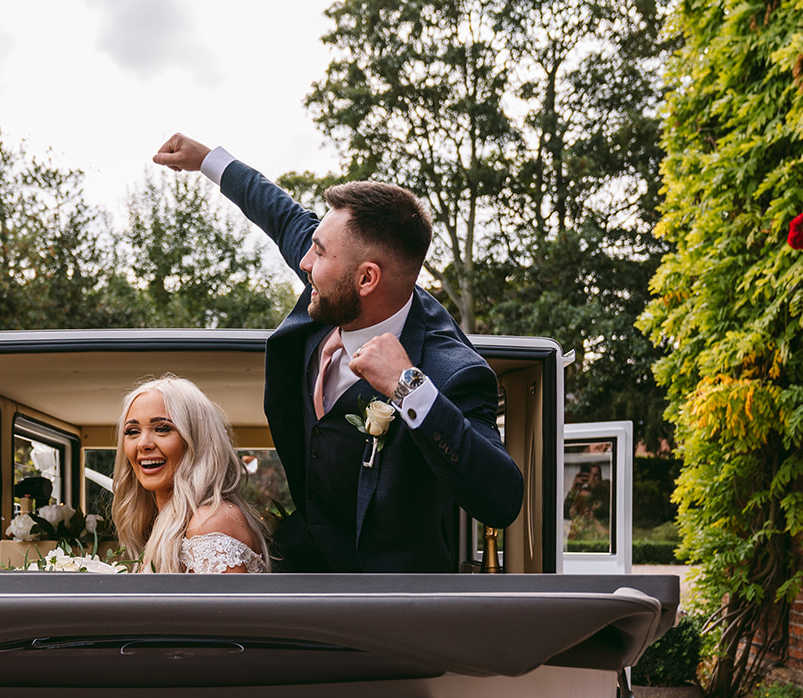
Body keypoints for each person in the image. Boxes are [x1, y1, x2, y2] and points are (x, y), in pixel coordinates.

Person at [152, 134, 524, 572]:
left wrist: (410, 390)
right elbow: (283, 216)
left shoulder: (451, 369)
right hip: (305, 559)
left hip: (394, 598)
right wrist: (208, 160)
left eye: (319, 252)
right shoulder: (336, 280)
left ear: (367, 279)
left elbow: (501, 500)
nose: (305, 262)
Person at [112, 376, 270, 573]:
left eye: (162, 429)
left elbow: (223, 605)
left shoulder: (209, 522)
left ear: (197, 440)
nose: (143, 443)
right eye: (132, 431)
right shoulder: (163, 522)